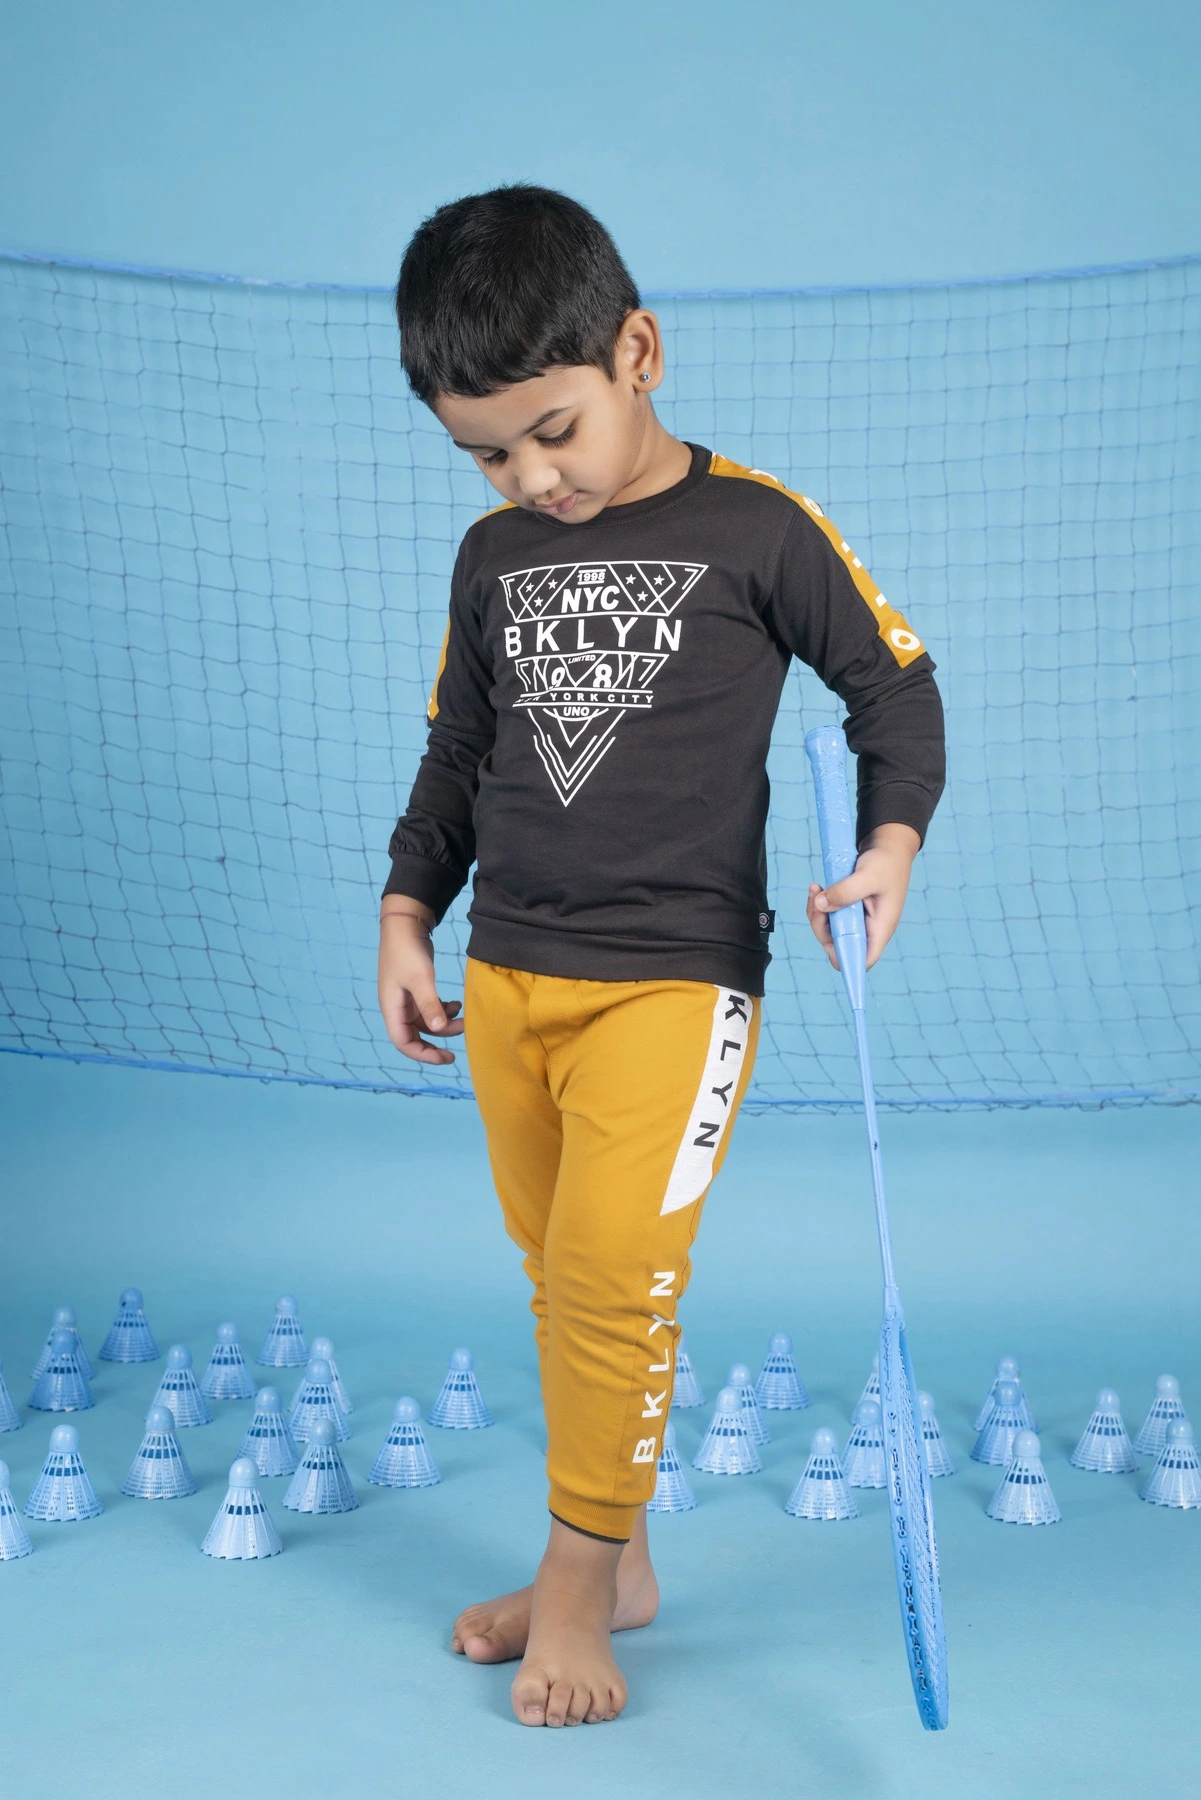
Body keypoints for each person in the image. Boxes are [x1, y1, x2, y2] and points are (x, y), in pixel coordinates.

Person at [377, 185, 945, 1729]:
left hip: (677, 981)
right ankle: (619, 1562)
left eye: (552, 431)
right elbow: (457, 756)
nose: (530, 477)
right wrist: (408, 913)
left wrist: (887, 846)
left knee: (614, 1277)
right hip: (510, 976)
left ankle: (575, 1584)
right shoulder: (493, 558)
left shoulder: (756, 530)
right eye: (488, 453)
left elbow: (894, 688)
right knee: (559, 1277)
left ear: (638, 352)